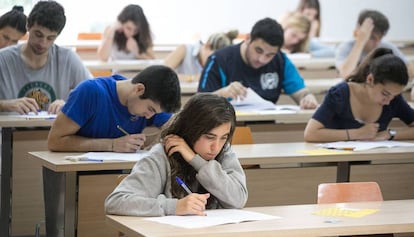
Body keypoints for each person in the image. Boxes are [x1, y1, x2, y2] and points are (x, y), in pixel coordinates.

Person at [105, 93, 248, 216]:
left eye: (223, 137)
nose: (216, 147)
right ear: (191, 130)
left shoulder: (224, 151)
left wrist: (196, 161)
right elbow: (116, 202)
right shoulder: (162, 154)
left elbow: (238, 199)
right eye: (209, 137)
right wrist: (175, 207)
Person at [47, 65, 181, 153]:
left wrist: (151, 144)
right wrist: (111, 145)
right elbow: (54, 141)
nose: (149, 117)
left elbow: (175, 129)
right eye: (150, 109)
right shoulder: (90, 92)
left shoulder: (149, 101)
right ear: (139, 89)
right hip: (78, 176)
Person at [198, 17, 318, 109]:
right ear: (248, 38)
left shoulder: (280, 60)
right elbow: (198, 104)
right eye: (258, 50)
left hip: (267, 125)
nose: (261, 59)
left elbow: (300, 91)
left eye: (269, 55)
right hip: (225, 128)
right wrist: (222, 93)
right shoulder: (219, 60)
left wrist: (306, 98)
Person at [0, 1, 92, 115]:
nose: (42, 43)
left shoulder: (68, 59)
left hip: (55, 131)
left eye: (50, 38)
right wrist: (5, 104)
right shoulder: (3, 59)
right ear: (28, 26)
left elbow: (95, 95)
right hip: (11, 131)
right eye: (38, 35)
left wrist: (69, 104)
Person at [304, 47, 414, 142]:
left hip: (369, 162)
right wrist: (357, 133)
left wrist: (390, 134)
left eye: (394, 96)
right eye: (385, 94)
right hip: (333, 160)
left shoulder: (394, 99)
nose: (388, 101)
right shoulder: (340, 94)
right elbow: (310, 133)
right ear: (370, 79)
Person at [335, 9, 414, 80]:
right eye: (372, 38)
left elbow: (410, 70)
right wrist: (360, 41)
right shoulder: (346, 47)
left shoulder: (386, 47)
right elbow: (346, 74)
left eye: (380, 38)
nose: (377, 43)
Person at [163, 30, 238, 75]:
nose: (214, 63)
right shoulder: (185, 49)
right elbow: (162, 73)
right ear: (207, 46)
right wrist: (196, 78)